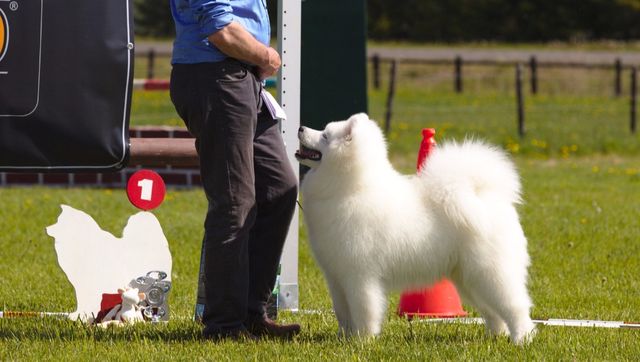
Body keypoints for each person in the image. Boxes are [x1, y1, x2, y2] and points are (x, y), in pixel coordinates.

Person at [168, 0, 299, 340]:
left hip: (241, 76)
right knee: (234, 202)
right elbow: (220, 30)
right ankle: (224, 325)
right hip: (217, 76)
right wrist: (266, 56)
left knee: (278, 189)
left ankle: (251, 313)